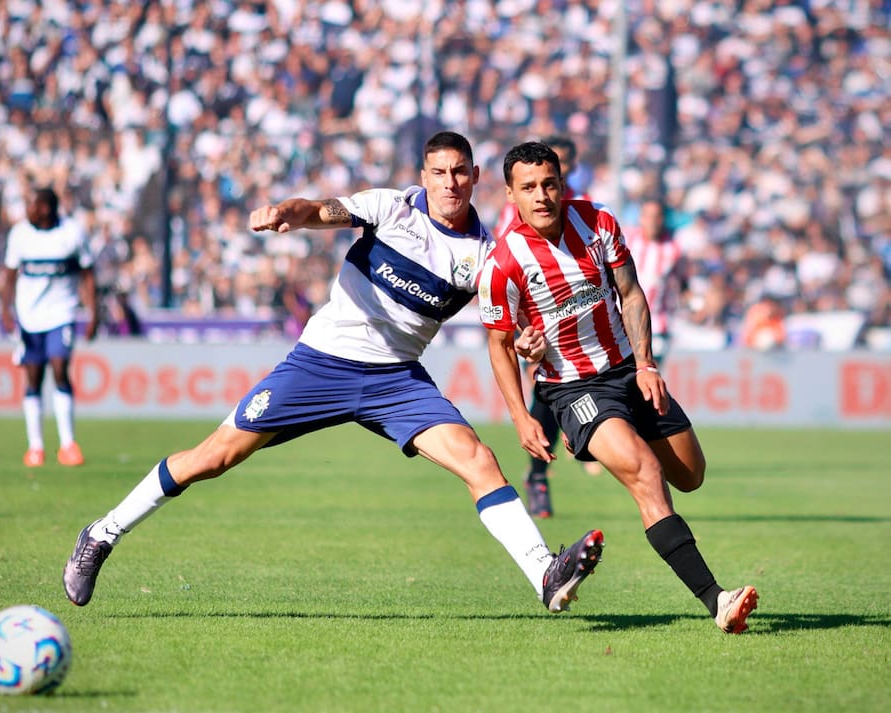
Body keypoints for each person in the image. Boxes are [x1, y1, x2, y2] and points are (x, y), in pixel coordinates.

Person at [62, 131, 604, 614]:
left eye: (459, 172)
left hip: (396, 379)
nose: (450, 183)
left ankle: (543, 572)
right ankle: (102, 534)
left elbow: (515, 328)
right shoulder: (392, 209)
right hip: (321, 363)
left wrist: (531, 342)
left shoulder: (485, 257)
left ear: (476, 177)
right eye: (438, 172)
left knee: (478, 460)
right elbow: (319, 210)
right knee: (214, 458)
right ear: (424, 177)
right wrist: (284, 211)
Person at [478, 141, 758, 633]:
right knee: (648, 475)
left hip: (629, 370)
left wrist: (647, 364)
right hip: (573, 389)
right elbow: (500, 344)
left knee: (690, 475)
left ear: (562, 184)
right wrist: (523, 414)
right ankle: (718, 601)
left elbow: (630, 293)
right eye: (528, 188)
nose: (541, 196)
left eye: (549, 184)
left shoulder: (599, 222)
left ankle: (595, 442)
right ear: (510, 195)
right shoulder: (504, 262)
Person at [495, 135, 598, 519]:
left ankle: (576, 440)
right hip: (536, 317)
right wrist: (521, 326)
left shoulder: (576, 203)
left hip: (580, 312)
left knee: (563, 389)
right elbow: (505, 264)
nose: (565, 171)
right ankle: (539, 474)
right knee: (548, 391)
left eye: (566, 165)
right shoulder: (523, 207)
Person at [0, 187, 98, 467]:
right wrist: (5, 311)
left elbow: (88, 275)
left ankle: (68, 445)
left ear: (45, 208)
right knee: (33, 377)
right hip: (29, 317)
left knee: (59, 368)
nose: (27, 209)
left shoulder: (72, 233)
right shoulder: (20, 234)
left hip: (61, 313)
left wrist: (93, 314)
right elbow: (9, 276)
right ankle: (36, 448)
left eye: (31, 204)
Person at [622, 198, 685, 363]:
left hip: (656, 324)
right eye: (648, 216)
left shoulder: (673, 248)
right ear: (641, 218)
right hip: (624, 321)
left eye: (657, 216)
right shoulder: (627, 239)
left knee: (651, 374)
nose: (652, 222)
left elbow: (682, 282)